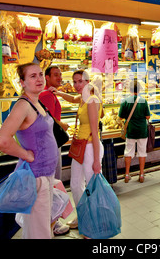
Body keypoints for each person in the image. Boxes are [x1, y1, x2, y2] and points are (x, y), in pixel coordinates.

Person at [0, 63, 58, 239]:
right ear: (22, 82)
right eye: (32, 76)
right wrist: (26, 155)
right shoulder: (23, 106)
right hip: (36, 175)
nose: (38, 79)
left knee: (41, 226)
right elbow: (2, 140)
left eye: (40, 74)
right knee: (39, 232)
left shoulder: (36, 103)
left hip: (46, 173)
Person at [50, 70, 103, 234]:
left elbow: (95, 131)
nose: (77, 85)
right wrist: (57, 92)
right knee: (75, 184)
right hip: (80, 146)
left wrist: (96, 160)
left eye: (80, 81)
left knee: (91, 185)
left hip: (90, 147)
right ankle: (82, 216)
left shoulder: (92, 100)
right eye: (74, 82)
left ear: (88, 82)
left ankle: (94, 219)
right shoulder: (82, 98)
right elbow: (72, 98)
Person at [39, 65, 71, 235]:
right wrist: (63, 125)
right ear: (47, 77)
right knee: (54, 181)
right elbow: (49, 119)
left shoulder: (49, 94)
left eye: (60, 75)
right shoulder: (47, 95)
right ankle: (54, 223)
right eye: (55, 75)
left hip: (49, 143)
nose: (59, 78)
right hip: (51, 144)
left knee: (52, 182)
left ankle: (52, 221)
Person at [119, 80, 151, 183]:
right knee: (142, 152)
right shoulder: (143, 101)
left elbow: (120, 117)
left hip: (131, 130)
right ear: (140, 89)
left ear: (130, 89)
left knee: (128, 152)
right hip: (142, 130)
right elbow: (147, 116)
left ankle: (127, 175)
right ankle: (141, 175)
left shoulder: (125, 101)